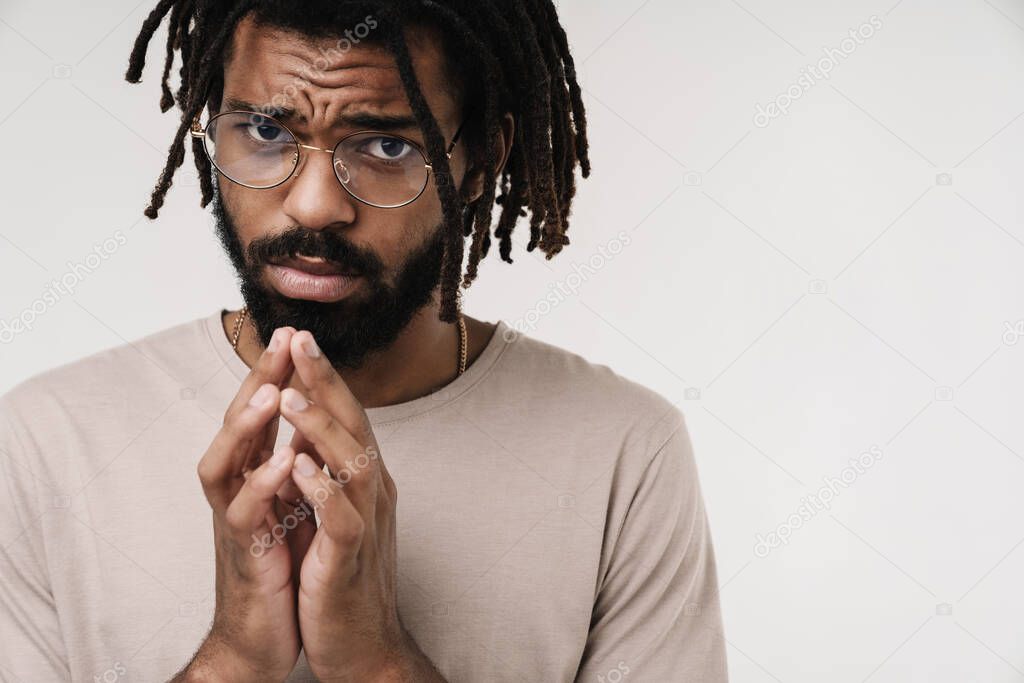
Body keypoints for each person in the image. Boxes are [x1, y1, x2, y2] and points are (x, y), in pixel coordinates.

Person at [0, 1, 728, 680]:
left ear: (480, 160)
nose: (315, 204)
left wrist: (378, 659)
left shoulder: (624, 451)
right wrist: (236, 655)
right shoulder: (46, 441)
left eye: (385, 144)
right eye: (265, 131)